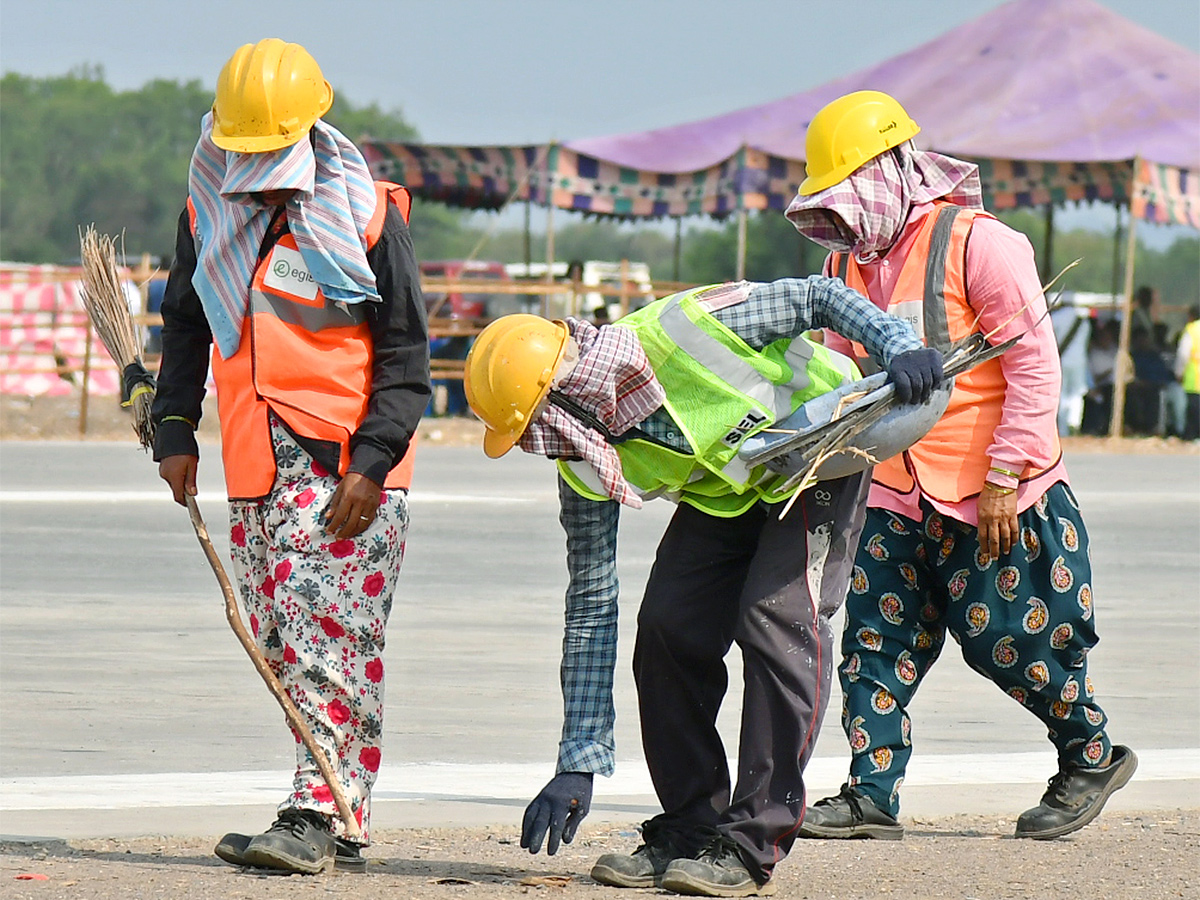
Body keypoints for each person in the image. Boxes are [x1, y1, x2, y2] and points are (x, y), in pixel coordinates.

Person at [464, 277, 943, 897]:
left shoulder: (686, 328)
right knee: (668, 626)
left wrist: (895, 343)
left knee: (776, 620)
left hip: (822, 452)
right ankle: (692, 828)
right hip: (733, 489)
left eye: (540, 427)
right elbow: (590, 603)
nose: (543, 446)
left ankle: (750, 842)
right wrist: (578, 759)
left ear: (573, 395)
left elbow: (819, 294)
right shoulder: (581, 451)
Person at [785, 90, 1135, 843]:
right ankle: (870, 793)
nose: (842, 221)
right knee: (875, 642)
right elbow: (839, 376)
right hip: (890, 489)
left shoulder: (981, 243)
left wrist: (1007, 476)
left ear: (893, 172)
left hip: (992, 493)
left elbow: (1036, 371)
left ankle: (1090, 756)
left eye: (850, 199)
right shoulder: (848, 263)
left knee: (1014, 643)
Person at [151, 38, 429, 874]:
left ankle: (312, 812)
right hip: (254, 464)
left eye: (271, 147)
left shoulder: (368, 213)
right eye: (243, 149)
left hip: (344, 471)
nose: (256, 163)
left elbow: (408, 354)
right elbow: (187, 325)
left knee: (329, 642)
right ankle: (340, 815)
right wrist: (172, 427)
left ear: (308, 132)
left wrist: (373, 464)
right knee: (279, 641)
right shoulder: (210, 214)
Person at [1175, 305, 1200, 440]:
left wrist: (1179, 372)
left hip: (1195, 378)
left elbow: (1183, 355)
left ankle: (1192, 436)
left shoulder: (1192, 330)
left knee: (1194, 410)